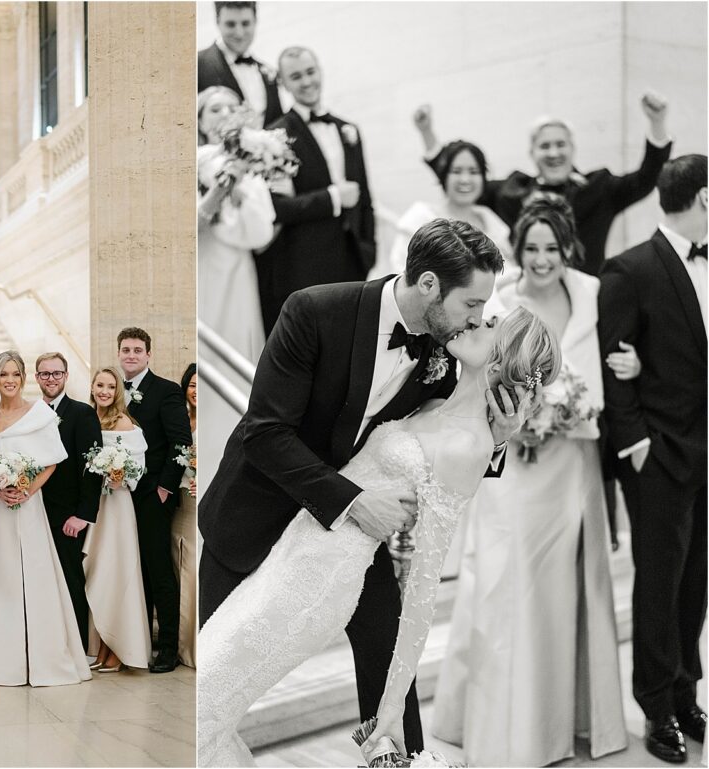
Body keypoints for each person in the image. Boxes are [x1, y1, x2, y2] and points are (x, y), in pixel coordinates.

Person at [200, 219, 524, 754]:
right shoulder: (314, 310)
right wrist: (353, 501)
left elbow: (445, 442)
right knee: (213, 678)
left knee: (388, 651)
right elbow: (263, 433)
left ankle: (406, 761)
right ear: (427, 285)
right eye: (471, 303)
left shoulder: (446, 352)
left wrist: (497, 439)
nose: (477, 317)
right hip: (255, 518)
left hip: (350, 543)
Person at [432, 198, 629, 765]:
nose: (542, 259)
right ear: (518, 250)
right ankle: (502, 726)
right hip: (512, 465)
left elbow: (614, 353)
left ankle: (574, 722)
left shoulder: (594, 292)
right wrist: (513, 423)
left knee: (572, 586)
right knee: (502, 579)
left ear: (569, 247)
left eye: (553, 248)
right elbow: (470, 373)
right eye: (532, 248)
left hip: (576, 466)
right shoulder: (497, 302)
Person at [598, 154, 708, 764]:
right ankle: (657, 706)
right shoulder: (630, 268)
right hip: (659, 455)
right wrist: (637, 446)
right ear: (706, 199)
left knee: (697, 581)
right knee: (659, 584)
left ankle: (688, 691)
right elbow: (616, 371)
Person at [415, 92, 672, 275]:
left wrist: (657, 124)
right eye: (544, 146)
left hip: (585, 299)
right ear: (532, 153)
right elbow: (463, 183)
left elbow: (645, 179)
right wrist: (427, 133)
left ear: (573, 148)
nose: (553, 153)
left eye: (560, 144)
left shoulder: (600, 188)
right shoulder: (510, 191)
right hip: (527, 300)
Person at [0, 351, 90, 686]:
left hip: (28, 505)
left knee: (32, 577)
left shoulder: (38, 413)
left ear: (23, 378)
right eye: (3, 374)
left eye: (15, 374)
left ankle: (40, 658)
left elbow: (52, 461)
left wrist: (26, 489)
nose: (9, 380)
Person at [258, 46, 375, 334]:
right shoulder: (275, 136)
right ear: (284, 84)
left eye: (311, 72)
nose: (307, 81)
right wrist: (332, 198)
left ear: (320, 71)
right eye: (296, 76)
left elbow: (366, 197)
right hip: (305, 263)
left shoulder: (349, 129)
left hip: (353, 259)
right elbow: (275, 207)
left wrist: (369, 247)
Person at [118, 327, 193, 673]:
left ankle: (167, 649)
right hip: (120, 497)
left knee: (159, 570)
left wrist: (164, 488)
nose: (130, 356)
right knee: (136, 570)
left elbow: (180, 443)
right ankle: (141, 642)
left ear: (148, 355)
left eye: (137, 350)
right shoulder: (114, 391)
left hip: (153, 496)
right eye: (125, 350)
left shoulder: (165, 391)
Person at [198, 86, 275, 362]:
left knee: (239, 341)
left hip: (239, 268)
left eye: (232, 108)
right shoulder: (194, 162)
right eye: (215, 109)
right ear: (200, 121)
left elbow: (262, 233)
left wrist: (244, 195)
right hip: (204, 263)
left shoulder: (251, 168)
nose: (225, 115)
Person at [82, 367, 151, 673]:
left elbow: (137, 467)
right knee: (96, 570)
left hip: (116, 504)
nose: (105, 391)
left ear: (117, 391)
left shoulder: (124, 423)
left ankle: (118, 649)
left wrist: (118, 474)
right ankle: (100, 648)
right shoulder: (87, 418)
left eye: (110, 386)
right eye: (100, 385)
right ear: (93, 387)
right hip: (92, 504)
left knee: (114, 569)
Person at [36, 352, 103, 650]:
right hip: (35, 511)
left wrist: (83, 515)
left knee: (71, 579)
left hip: (68, 517)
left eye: (56, 373)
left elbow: (92, 467)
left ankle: (77, 646)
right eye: (45, 374)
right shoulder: (32, 413)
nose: (51, 379)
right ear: (37, 378)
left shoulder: (82, 413)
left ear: (66, 376)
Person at [382, 135, 512, 277]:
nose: (465, 180)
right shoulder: (421, 218)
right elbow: (400, 271)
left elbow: (508, 271)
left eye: (473, 172)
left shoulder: (492, 222)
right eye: (456, 171)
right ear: (443, 176)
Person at [197, 1, 282, 129]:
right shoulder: (196, 64)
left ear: (255, 22)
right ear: (217, 22)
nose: (239, 33)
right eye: (231, 24)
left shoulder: (268, 72)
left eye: (245, 23)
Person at [172, 363, 198, 669]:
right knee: (178, 570)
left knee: (191, 571)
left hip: (196, 505)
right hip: (176, 505)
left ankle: (192, 647)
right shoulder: (181, 420)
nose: (196, 391)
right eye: (192, 385)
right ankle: (179, 644)